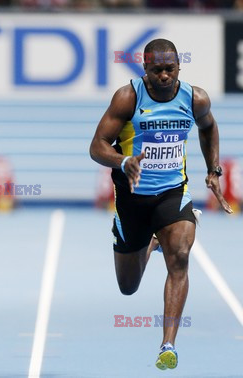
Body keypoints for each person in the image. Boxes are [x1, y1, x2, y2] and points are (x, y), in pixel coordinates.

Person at [89, 38, 232, 370]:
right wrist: (123, 162)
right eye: (157, 70)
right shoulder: (129, 97)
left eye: (170, 69)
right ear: (145, 69)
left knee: (180, 256)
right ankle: (149, 242)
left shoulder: (194, 98)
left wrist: (213, 170)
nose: (164, 76)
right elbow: (97, 146)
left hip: (173, 194)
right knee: (128, 287)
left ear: (179, 67)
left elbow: (208, 128)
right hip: (132, 199)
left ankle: (168, 345)